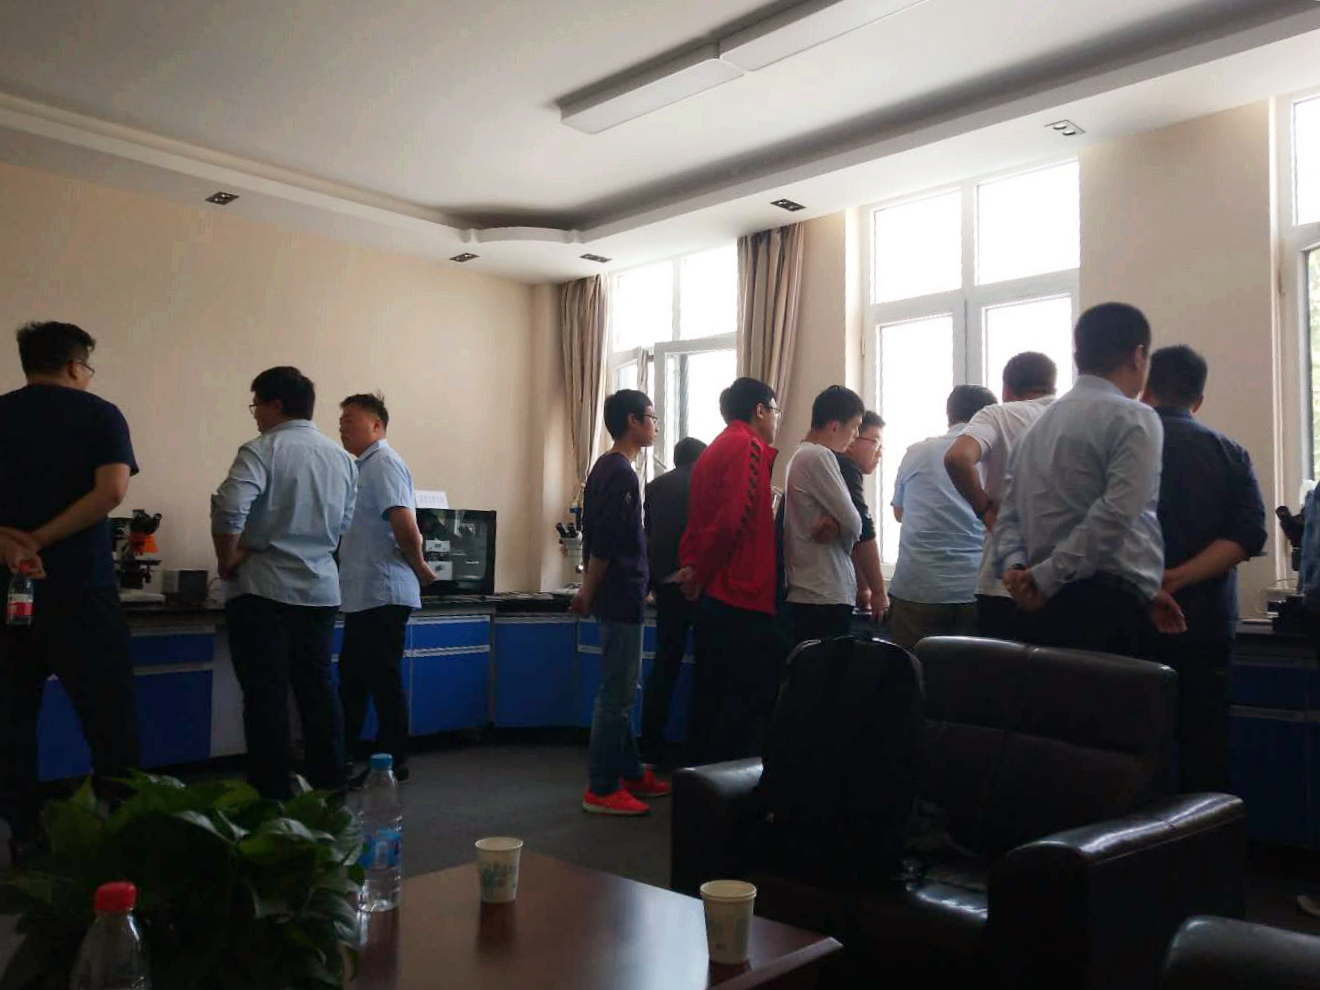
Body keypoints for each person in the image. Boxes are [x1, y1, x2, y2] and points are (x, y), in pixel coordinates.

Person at [0, 321, 140, 864]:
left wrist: (11, 543)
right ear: (76, 365)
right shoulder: (101, 414)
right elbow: (112, 490)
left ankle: (25, 835)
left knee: (11, 718)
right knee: (109, 719)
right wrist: (41, 540)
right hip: (81, 590)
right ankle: (121, 833)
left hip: (9, 590)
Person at [995, 303, 1186, 658]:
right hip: (1108, 609)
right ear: (1139, 356)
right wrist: (1045, 577)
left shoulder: (1035, 429)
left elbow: (1008, 516)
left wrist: (1018, 570)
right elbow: (1117, 513)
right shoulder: (1136, 417)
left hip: (1039, 606)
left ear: (1077, 356)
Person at [211, 367, 357, 799]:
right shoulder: (342, 460)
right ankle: (330, 783)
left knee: (266, 694)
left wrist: (228, 556)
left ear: (276, 405)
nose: (255, 414)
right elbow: (343, 525)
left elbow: (229, 507)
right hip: (320, 591)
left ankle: (271, 791)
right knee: (318, 689)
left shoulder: (262, 450)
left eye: (256, 405)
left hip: (263, 591)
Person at [1140, 346, 1266, 792]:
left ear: (1145, 391)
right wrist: (1181, 577)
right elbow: (1247, 536)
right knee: (1205, 753)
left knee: (1133, 753)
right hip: (1206, 626)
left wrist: (1153, 583)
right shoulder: (1230, 453)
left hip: (1132, 623)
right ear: (1198, 400)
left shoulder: (1122, 449)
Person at [571, 389, 670, 815]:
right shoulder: (622, 473)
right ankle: (601, 786)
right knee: (616, 695)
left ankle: (630, 771)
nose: (655, 424)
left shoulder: (604, 468)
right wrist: (587, 592)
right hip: (618, 597)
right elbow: (607, 545)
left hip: (620, 594)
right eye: (651, 416)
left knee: (624, 688)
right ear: (633, 421)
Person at [678, 377, 783, 765]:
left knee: (711, 698)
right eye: (774, 411)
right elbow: (729, 523)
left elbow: (699, 521)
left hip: (719, 594)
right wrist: (702, 572)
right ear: (760, 410)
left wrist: (694, 569)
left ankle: (701, 785)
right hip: (739, 593)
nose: (775, 420)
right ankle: (730, 791)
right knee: (743, 707)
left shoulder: (713, 450)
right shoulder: (746, 445)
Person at [337, 392, 438, 789]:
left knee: (381, 681)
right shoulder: (361, 467)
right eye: (341, 421)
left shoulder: (383, 463)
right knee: (353, 682)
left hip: (383, 591)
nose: (342, 427)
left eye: (350, 420)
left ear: (376, 425)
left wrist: (421, 568)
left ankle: (394, 762)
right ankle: (338, 760)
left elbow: (404, 523)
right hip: (363, 594)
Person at [943, 353, 1058, 640]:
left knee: (1000, 668)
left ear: (1006, 390)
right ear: (1052, 386)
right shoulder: (1076, 417)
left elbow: (957, 458)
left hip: (1003, 583)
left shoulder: (998, 415)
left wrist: (985, 512)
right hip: (1066, 583)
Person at [887, 385, 998, 651]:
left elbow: (899, 513)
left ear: (949, 415)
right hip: (972, 588)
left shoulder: (916, 452)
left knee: (912, 669)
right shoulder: (991, 456)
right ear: (987, 416)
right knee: (968, 672)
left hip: (916, 588)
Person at [640, 436, 707, 768]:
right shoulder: (706, 483)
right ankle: (698, 750)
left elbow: (648, 536)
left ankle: (650, 747)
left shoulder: (654, 487)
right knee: (707, 669)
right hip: (701, 586)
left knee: (665, 666)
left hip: (666, 586)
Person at [783, 386, 866, 644]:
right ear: (834, 426)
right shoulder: (818, 455)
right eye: (855, 427)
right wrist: (843, 530)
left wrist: (837, 526)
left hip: (812, 590)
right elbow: (855, 523)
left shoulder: (800, 454)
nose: (856, 436)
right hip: (824, 591)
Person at [837, 412, 889, 623]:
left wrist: (863, 587)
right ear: (853, 438)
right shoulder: (846, 467)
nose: (879, 453)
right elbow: (863, 530)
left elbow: (853, 534)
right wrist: (878, 592)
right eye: (875, 442)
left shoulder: (846, 468)